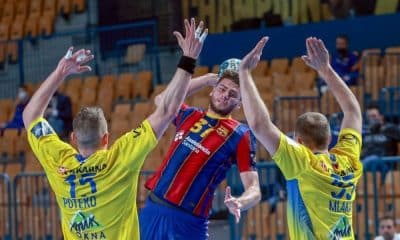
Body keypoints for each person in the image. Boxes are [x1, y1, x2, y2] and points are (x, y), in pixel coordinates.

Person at [23, 18, 208, 239]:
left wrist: (59, 73)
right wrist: (188, 59)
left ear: (73, 138)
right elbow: (168, 110)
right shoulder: (120, 159)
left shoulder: (58, 161)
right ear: (106, 138)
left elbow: (30, 115)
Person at [239, 36, 362, 239]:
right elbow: (353, 111)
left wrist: (244, 73)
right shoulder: (349, 160)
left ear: (299, 141)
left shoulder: (302, 162)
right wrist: (326, 70)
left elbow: (260, 125)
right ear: (330, 137)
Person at [139, 61, 261, 238]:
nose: (225, 95)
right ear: (212, 89)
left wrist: (241, 202)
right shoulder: (189, 114)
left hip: (189, 222)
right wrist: (205, 79)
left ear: (239, 103)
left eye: (233, 94)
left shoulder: (240, 134)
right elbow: (162, 99)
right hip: (154, 208)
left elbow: (255, 189)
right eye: (222, 88)